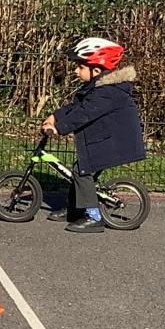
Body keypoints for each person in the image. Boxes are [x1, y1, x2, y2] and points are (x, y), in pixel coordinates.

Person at [42, 37, 146, 233]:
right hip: (104, 139)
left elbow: (84, 114)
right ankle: (75, 209)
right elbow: (77, 107)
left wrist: (60, 128)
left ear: (96, 70)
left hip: (114, 142)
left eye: (80, 67)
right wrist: (55, 117)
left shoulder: (107, 92)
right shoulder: (97, 87)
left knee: (82, 171)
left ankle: (94, 217)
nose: (76, 71)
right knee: (80, 170)